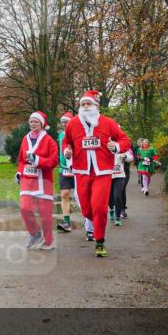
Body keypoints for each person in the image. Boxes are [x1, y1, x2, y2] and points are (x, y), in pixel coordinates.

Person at [61, 90, 131, 258]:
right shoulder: (73, 124)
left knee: (99, 207)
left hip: (103, 172)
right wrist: (66, 152)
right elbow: (66, 142)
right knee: (86, 209)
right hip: (81, 171)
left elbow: (125, 140)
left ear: (96, 106)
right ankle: (93, 222)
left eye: (88, 104)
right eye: (82, 104)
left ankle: (100, 241)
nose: (85, 107)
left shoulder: (107, 123)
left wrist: (116, 147)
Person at [16, 111, 59, 251]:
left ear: (42, 124)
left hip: (43, 181)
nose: (33, 124)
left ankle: (49, 241)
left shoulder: (49, 141)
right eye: (31, 122)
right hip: (27, 180)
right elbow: (21, 160)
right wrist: (19, 172)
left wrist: (38, 160)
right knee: (24, 208)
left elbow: (54, 161)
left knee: (45, 215)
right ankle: (35, 234)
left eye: (36, 122)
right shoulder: (25, 139)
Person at [55, 112, 76, 233]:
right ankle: (66, 222)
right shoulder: (61, 135)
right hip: (64, 169)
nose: (64, 124)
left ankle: (89, 220)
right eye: (62, 121)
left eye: (66, 121)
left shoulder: (77, 133)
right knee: (64, 194)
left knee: (81, 197)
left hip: (78, 169)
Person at [108, 146, 132, 227]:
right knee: (109, 197)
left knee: (117, 196)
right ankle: (111, 209)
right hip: (108, 176)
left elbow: (130, 158)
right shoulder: (104, 148)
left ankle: (117, 218)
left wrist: (125, 156)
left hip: (120, 176)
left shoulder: (121, 148)